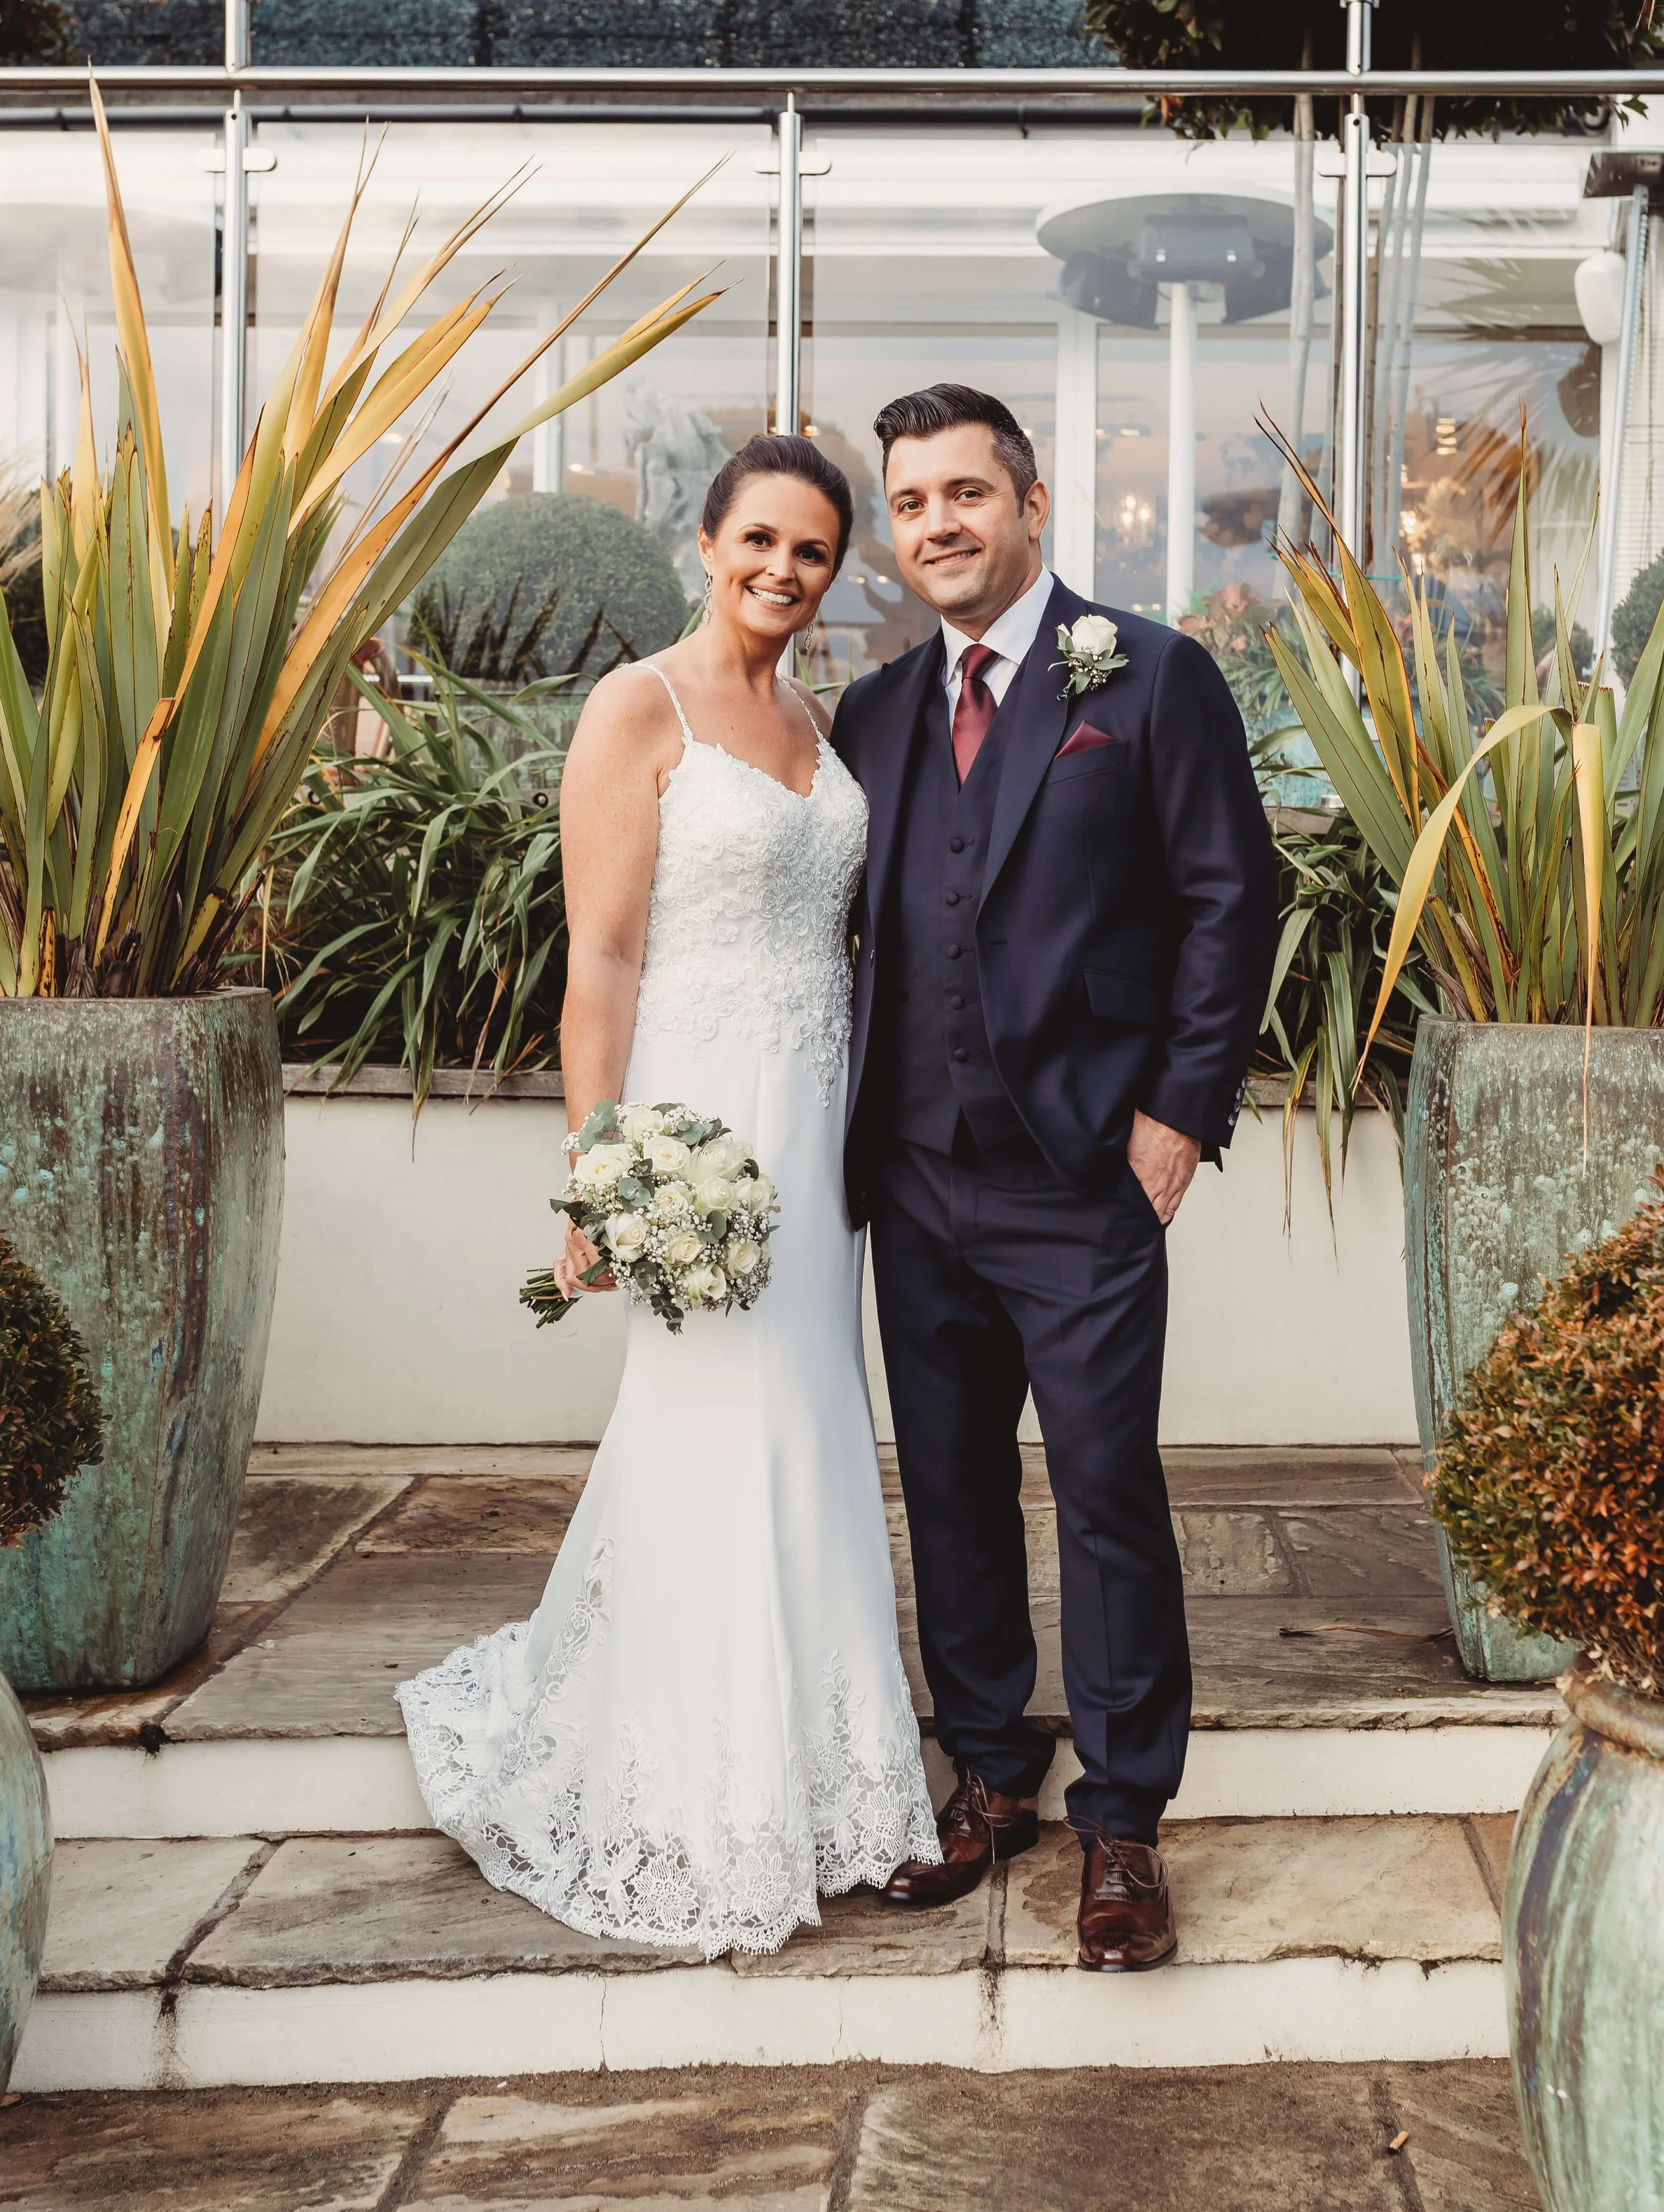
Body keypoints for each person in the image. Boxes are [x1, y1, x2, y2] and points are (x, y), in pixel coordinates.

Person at [397, 433, 939, 1959]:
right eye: (759, 539)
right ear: (705, 542)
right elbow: (604, 962)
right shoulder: (634, 706)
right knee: (711, 1423)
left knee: (814, 1421)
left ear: (835, 574)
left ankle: (829, 1775)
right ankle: (703, 1794)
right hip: (698, 1125)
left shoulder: (817, 722)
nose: (783, 569)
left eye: (814, 552)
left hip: (816, 1128)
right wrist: (604, 1174)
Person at [831, 384, 1277, 1970]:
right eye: (909, 502)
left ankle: (1124, 1819)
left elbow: (1233, 898)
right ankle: (990, 1775)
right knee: (945, 1489)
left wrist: (1176, 1112)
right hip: (915, 1177)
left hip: (1084, 1175)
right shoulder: (872, 714)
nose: (936, 523)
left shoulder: (1146, 676)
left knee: (1103, 1494)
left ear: (1028, 505)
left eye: (964, 492)